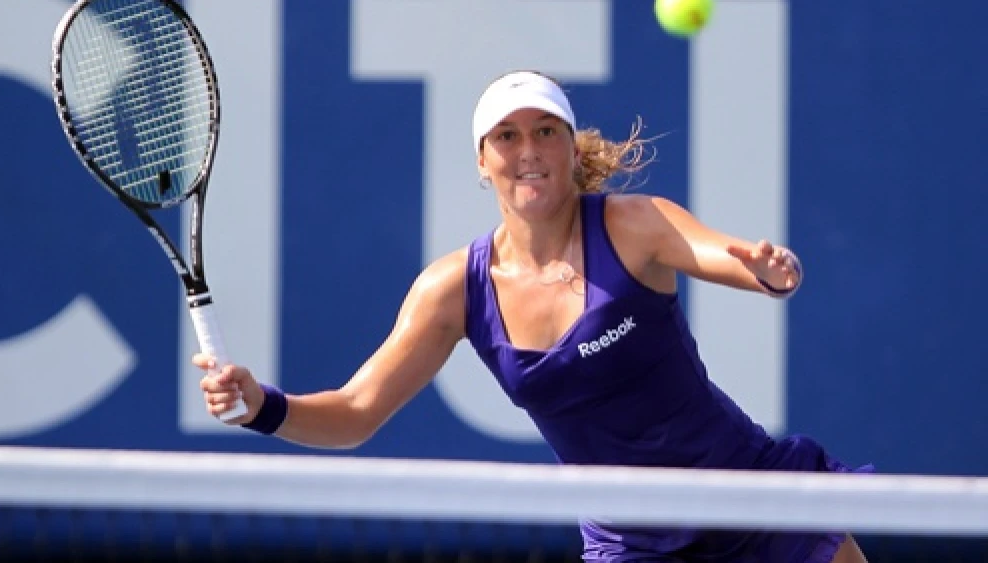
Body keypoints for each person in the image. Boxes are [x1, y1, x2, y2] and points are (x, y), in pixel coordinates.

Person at [196, 70, 871, 563]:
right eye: (508, 135)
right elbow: (356, 410)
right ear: (483, 162)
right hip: (634, 547)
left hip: (752, 500)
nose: (529, 150)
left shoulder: (634, 226)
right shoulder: (452, 290)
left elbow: (717, 252)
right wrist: (263, 405)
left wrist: (764, 269)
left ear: (573, 150)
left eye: (546, 131)